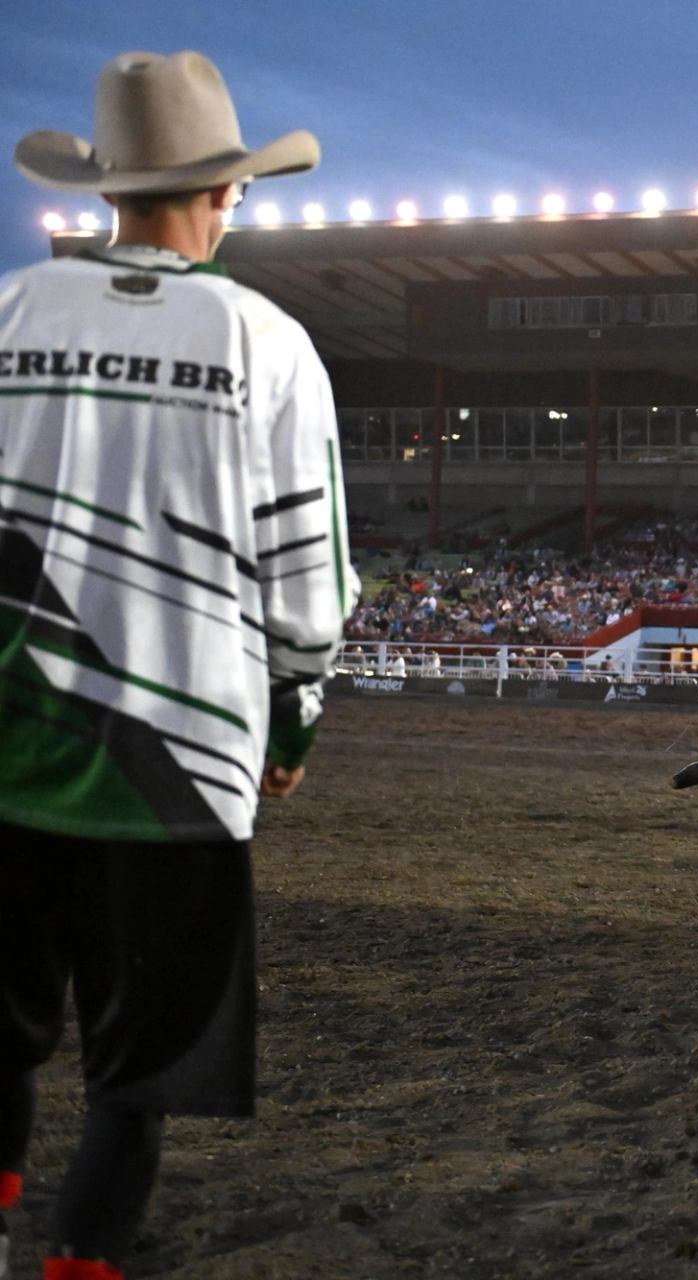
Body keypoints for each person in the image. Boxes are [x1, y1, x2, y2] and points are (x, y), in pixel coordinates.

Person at [1, 51, 354, 1280]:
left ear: (106, 190)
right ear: (224, 191)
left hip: (6, 749)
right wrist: (291, 731)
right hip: (178, 769)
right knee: (136, 1074)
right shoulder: (265, 342)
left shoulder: (10, 314)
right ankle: (81, 1259)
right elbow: (308, 586)